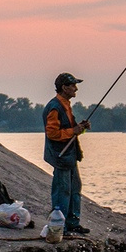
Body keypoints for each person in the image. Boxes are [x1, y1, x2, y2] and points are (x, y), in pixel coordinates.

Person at [43, 72, 91, 236]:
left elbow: (70, 131)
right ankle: (60, 226)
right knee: (63, 191)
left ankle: (73, 223)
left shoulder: (65, 105)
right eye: (73, 85)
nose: (75, 88)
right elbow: (53, 134)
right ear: (64, 87)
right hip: (61, 156)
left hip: (70, 156)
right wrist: (73, 130)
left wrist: (80, 128)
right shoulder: (55, 107)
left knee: (75, 189)